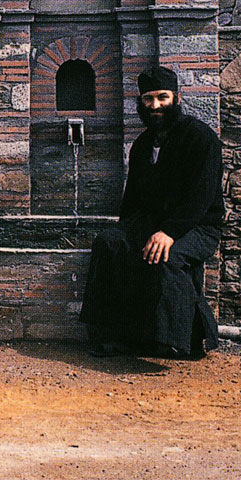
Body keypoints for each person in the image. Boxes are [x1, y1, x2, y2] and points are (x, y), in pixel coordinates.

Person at [80, 65, 225, 358]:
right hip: (152, 223)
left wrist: (169, 232)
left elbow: (201, 197)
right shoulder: (142, 145)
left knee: (166, 256)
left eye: (162, 97)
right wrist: (126, 233)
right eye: (148, 99)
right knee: (110, 244)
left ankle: (177, 342)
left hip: (197, 226)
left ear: (177, 99)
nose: (155, 105)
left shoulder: (200, 138)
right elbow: (132, 199)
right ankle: (115, 336)